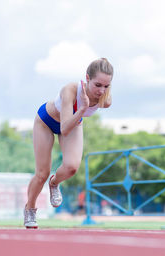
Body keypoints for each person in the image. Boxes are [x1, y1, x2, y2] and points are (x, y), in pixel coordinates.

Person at [24, 58, 114, 229]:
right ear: (87, 78)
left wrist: (83, 111)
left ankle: (54, 182)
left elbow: (69, 126)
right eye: (97, 85)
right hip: (46, 121)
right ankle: (30, 208)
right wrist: (82, 108)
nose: (101, 91)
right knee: (41, 173)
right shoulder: (70, 90)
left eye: (106, 86)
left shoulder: (105, 100)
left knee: (72, 167)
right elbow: (64, 128)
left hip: (73, 123)